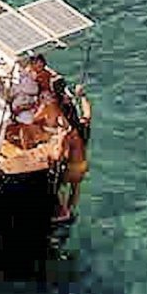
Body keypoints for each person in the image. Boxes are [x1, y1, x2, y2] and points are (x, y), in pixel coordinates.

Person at [54, 82, 92, 222]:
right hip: (82, 164)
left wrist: (56, 141)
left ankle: (63, 212)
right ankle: (70, 209)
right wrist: (82, 95)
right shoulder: (83, 124)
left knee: (59, 187)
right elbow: (87, 111)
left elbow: (60, 155)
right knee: (76, 188)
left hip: (71, 167)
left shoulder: (68, 135)